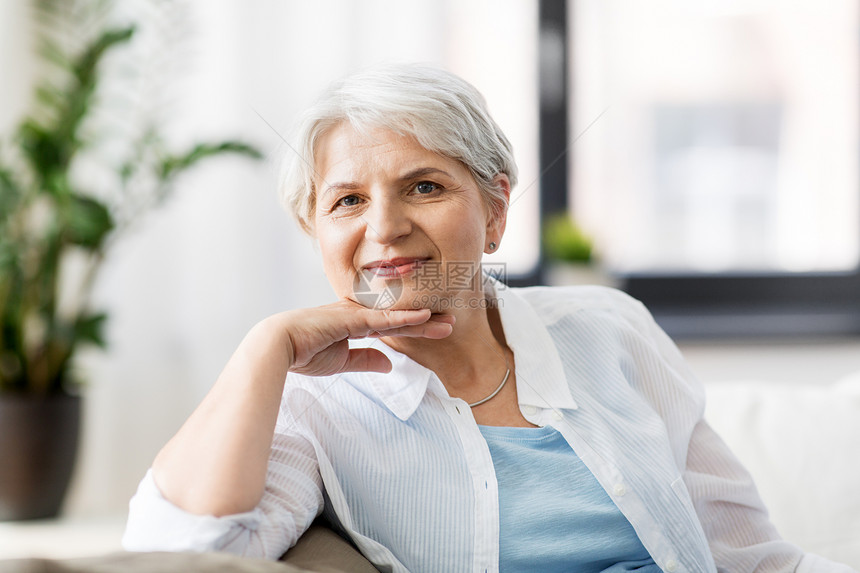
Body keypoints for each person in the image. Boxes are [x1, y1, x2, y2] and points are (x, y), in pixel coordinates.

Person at [122, 64, 856, 573]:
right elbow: (185, 551)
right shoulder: (314, 406)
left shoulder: (610, 329)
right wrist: (265, 347)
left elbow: (757, 559)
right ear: (316, 230)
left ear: (496, 210)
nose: (385, 227)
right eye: (346, 201)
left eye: (424, 185)